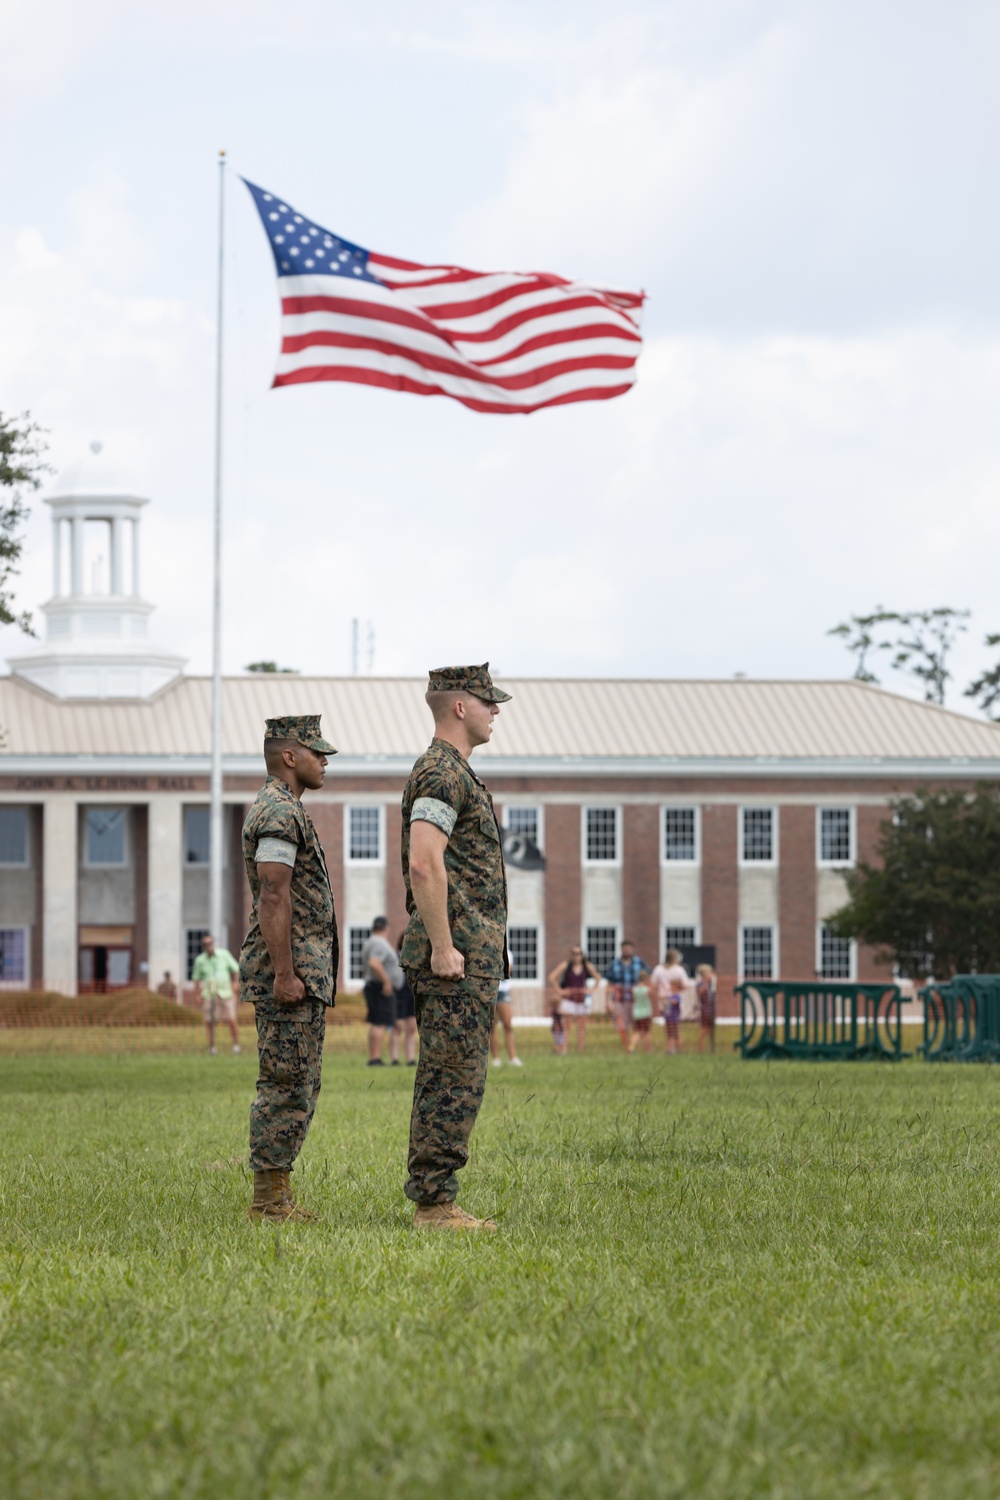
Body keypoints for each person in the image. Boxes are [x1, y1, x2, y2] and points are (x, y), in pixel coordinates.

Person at [400, 662, 510, 1232]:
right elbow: (424, 861)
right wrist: (443, 947)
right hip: (454, 958)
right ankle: (435, 1205)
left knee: (453, 1075)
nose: (497, 712)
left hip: (467, 955)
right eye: (490, 702)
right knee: (452, 1079)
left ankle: (434, 1197)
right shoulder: (442, 774)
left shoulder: (455, 773)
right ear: (461, 707)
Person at [240, 715, 339, 1223]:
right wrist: (285, 973)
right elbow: (274, 893)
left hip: (300, 973)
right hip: (289, 975)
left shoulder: (287, 809)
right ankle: (268, 1202)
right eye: (317, 752)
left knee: (296, 1081)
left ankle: (275, 1195)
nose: (325, 760)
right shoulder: (278, 812)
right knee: (284, 1083)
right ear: (289, 756)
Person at [361, 916, 403, 1066]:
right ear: (386, 928)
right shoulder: (379, 943)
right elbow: (374, 963)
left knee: (376, 1021)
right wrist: (387, 982)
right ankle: (375, 1058)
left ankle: (374, 1057)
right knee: (379, 1022)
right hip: (379, 987)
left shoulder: (370, 941)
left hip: (373, 985)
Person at [191, 933, 241, 1054]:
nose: (208, 946)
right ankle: (212, 1047)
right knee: (209, 1021)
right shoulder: (199, 960)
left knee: (231, 1020)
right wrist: (197, 994)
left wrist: (235, 983)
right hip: (208, 994)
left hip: (225, 993)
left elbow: (235, 969)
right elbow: (196, 979)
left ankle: (236, 1046)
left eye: (210, 943)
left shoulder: (224, 955)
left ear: (213, 943)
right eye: (205, 944)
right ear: (202, 946)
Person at [548, 945, 601, 1053]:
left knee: (581, 1027)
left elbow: (598, 977)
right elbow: (552, 977)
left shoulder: (586, 966)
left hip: (581, 999)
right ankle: (565, 1049)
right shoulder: (566, 965)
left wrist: (591, 990)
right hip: (568, 999)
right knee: (566, 1026)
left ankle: (581, 1050)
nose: (576, 956)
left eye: (579, 953)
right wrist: (560, 991)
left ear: (582, 955)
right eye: (574, 954)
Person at [603, 939, 651, 1052]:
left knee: (638, 1025)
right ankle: (627, 1047)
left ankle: (637, 1047)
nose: (627, 950)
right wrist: (607, 1000)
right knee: (622, 1025)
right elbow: (609, 983)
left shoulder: (640, 962)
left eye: (629, 948)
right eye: (625, 948)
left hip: (637, 1000)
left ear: (632, 949)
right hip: (619, 999)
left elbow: (649, 977)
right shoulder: (614, 964)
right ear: (621, 949)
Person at [650, 946, 691, 1052]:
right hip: (675, 999)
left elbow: (653, 985)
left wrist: (659, 995)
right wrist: (676, 989)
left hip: (663, 1001)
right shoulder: (679, 970)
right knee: (675, 1025)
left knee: (668, 1025)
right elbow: (685, 985)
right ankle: (675, 1048)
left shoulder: (658, 969)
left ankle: (670, 1047)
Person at [389, 931, 418, 1066]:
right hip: (398, 995)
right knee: (397, 1027)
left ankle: (410, 1059)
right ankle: (394, 1059)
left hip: (411, 995)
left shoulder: (416, 958)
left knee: (411, 1028)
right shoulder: (394, 957)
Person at [490, 978, 523, 1067]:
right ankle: (495, 1059)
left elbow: (506, 971)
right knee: (491, 1026)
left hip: (503, 990)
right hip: (489, 988)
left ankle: (512, 1058)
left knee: (508, 1025)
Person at [629, 969, 654, 1052]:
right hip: (646, 1013)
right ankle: (648, 1049)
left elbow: (633, 1000)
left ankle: (632, 1047)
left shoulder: (634, 990)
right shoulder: (647, 990)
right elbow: (652, 997)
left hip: (636, 1013)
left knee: (637, 1032)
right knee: (646, 1032)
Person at [696, 962, 717, 1053]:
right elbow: (700, 992)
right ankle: (700, 1047)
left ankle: (710, 1048)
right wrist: (706, 983)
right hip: (705, 1010)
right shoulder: (701, 983)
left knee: (711, 1029)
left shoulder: (710, 984)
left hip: (711, 1009)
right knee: (705, 1029)